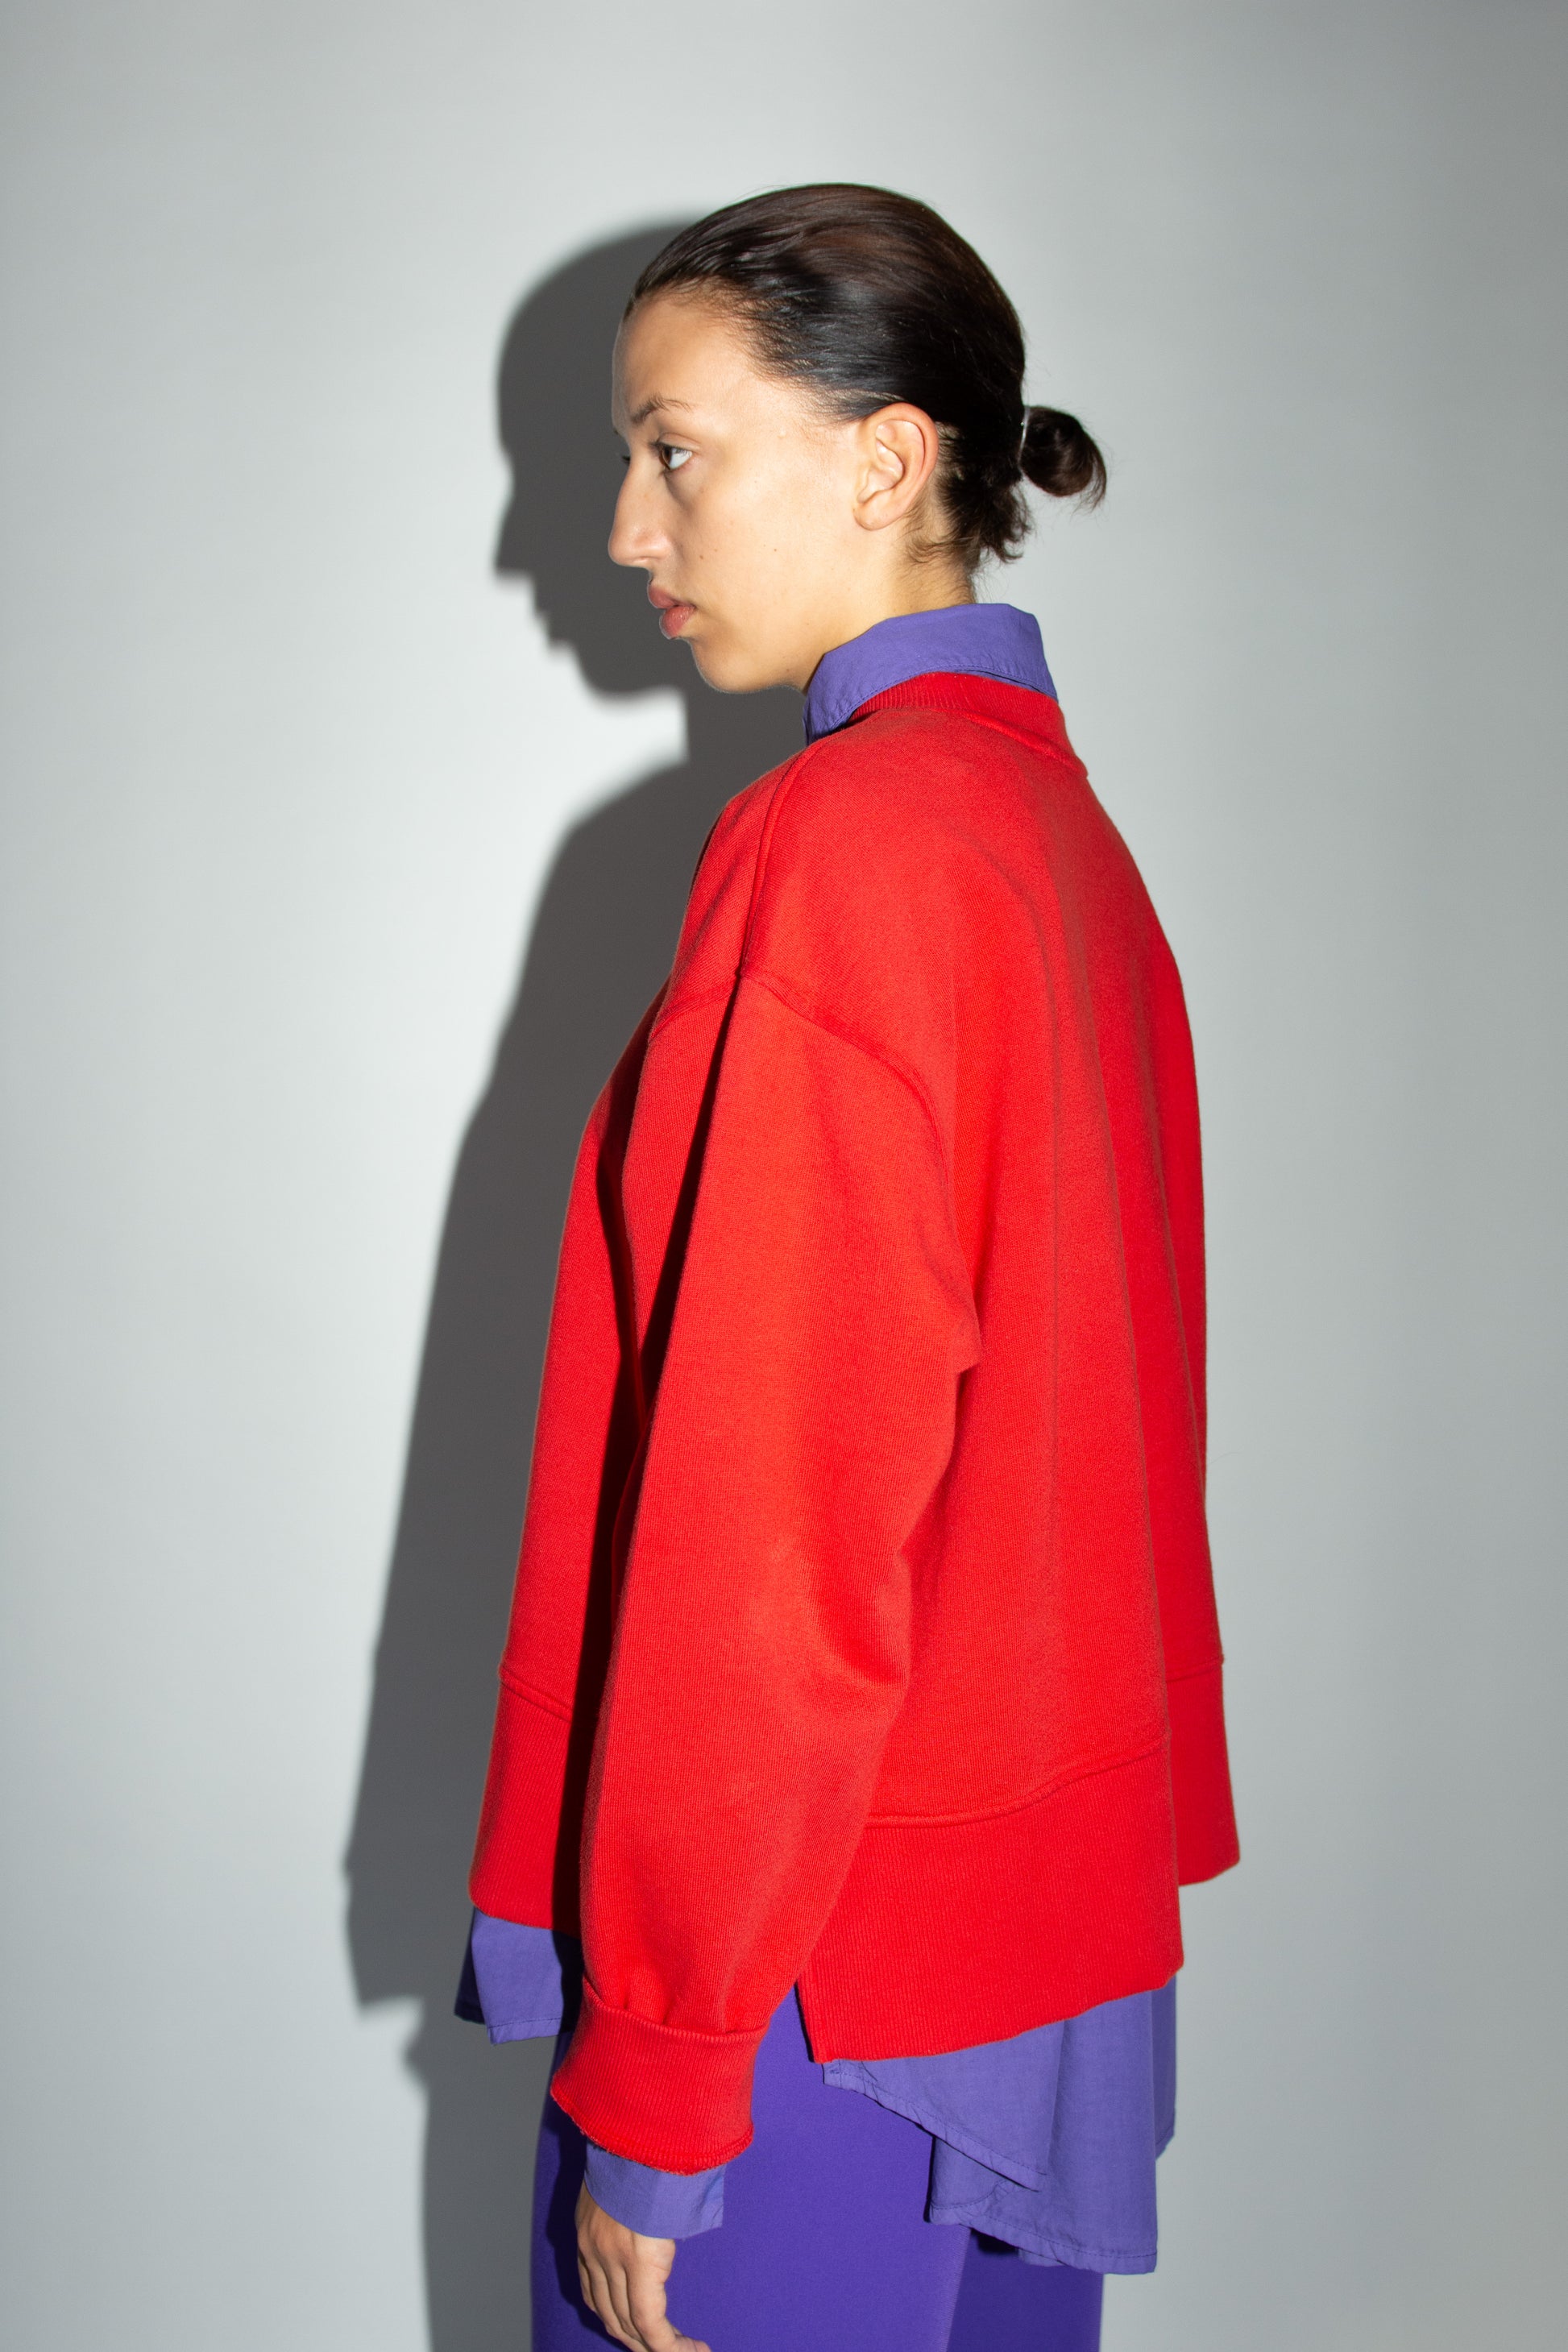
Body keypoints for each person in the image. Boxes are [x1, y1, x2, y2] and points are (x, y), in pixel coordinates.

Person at [456, 184, 1239, 2352]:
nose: (625, 526)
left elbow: (770, 1536)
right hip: (1031, 1968)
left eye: (674, 450)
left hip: (816, 1986)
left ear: (888, 459)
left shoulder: (844, 845)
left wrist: (664, 2074)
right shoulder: (1060, 846)